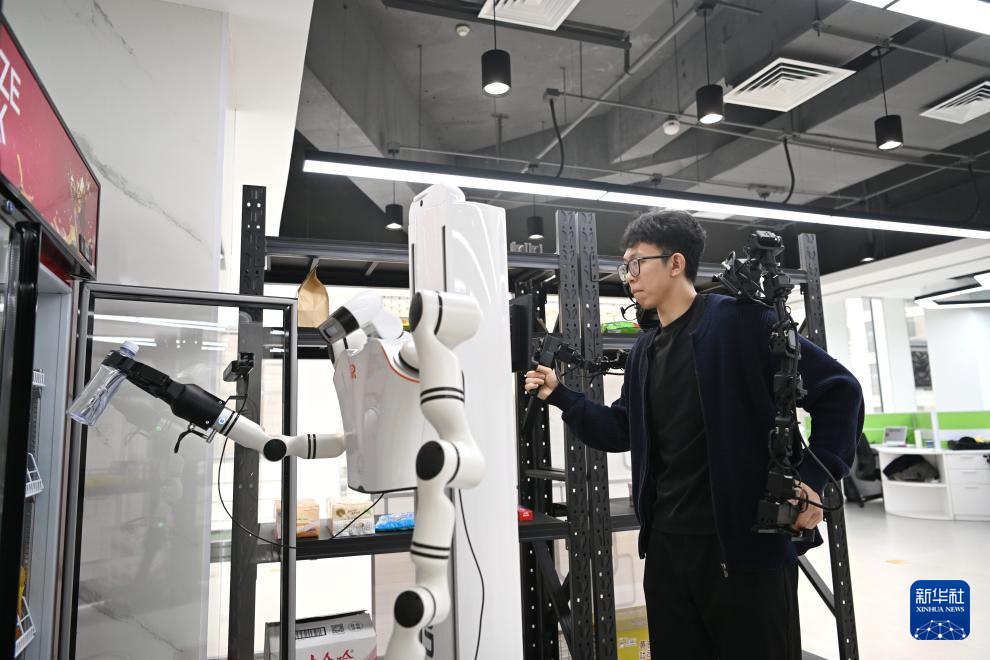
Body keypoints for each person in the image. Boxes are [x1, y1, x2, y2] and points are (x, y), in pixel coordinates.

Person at [525, 210, 864, 660]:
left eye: (636, 262)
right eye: (625, 267)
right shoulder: (644, 351)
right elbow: (621, 429)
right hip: (668, 552)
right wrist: (560, 395)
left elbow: (840, 392)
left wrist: (814, 481)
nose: (629, 276)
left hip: (745, 551)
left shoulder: (743, 323)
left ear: (675, 263)